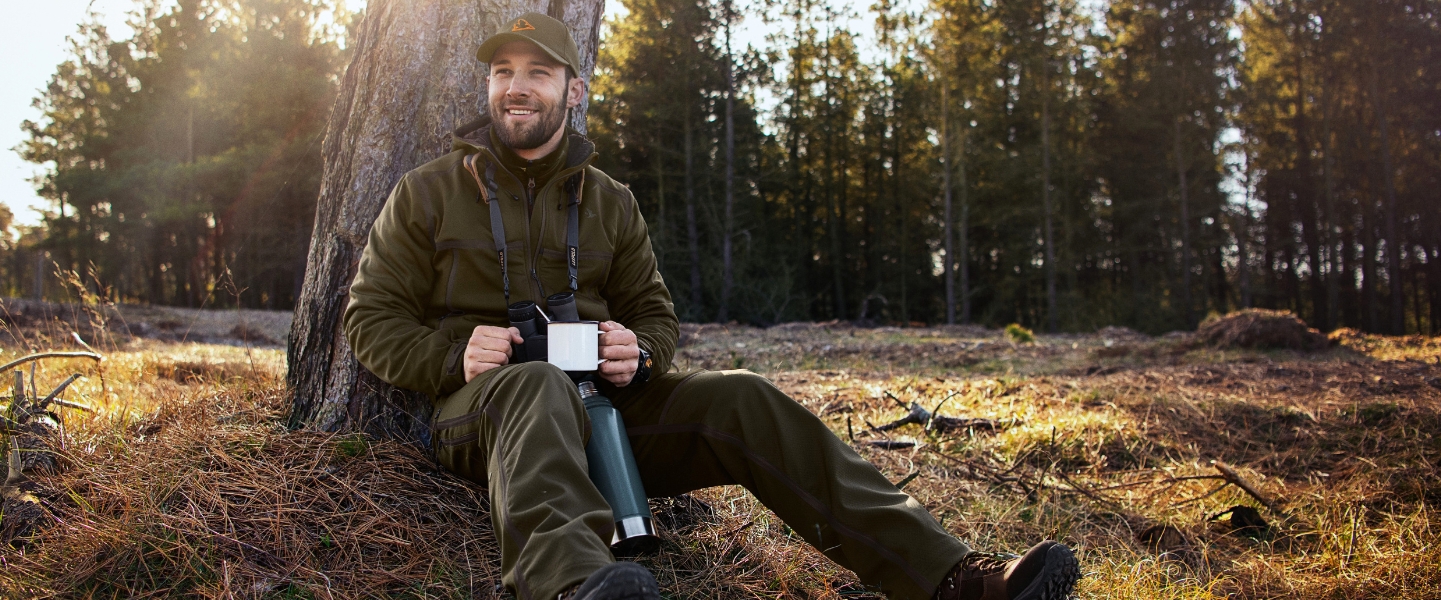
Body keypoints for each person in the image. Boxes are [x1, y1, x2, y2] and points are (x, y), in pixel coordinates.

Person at [340, 13, 1079, 600]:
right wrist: (453, 354)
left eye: (538, 72)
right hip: (485, 415)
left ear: (575, 90)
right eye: (503, 73)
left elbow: (656, 316)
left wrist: (643, 350)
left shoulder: (611, 201)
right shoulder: (428, 192)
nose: (516, 88)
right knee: (532, 385)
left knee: (745, 398)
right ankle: (572, 585)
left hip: (606, 413)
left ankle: (952, 577)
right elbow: (368, 320)